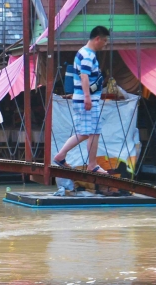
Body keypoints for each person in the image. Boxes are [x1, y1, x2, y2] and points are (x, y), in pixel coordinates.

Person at [53, 26, 110, 174]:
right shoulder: (87, 55)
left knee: (89, 132)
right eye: (104, 40)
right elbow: (84, 75)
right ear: (97, 39)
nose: (105, 44)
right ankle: (91, 164)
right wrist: (87, 97)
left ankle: (63, 156)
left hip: (86, 98)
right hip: (86, 98)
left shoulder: (85, 53)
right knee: (90, 132)